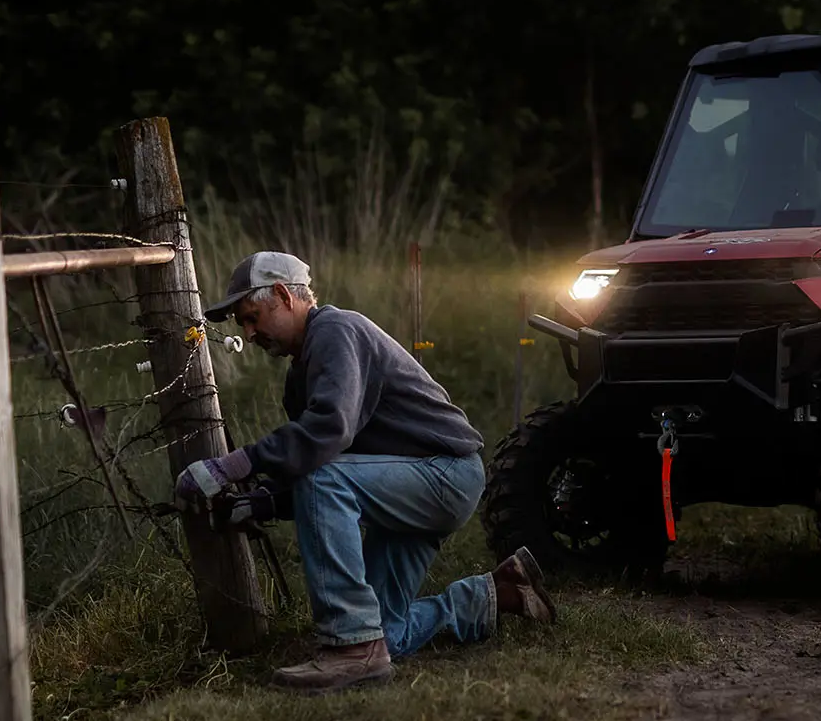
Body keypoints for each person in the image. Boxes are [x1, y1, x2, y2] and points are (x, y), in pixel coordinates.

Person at [171, 251, 558, 693]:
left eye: (253, 317)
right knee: (385, 633)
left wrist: (231, 466)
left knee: (325, 483)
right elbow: (325, 464)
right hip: (409, 484)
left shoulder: (336, 332)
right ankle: (500, 591)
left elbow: (327, 434)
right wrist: (260, 502)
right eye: (243, 323)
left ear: (283, 295)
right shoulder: (302, 373)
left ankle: (348, 649)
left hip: (444, 474)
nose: (249, 332)